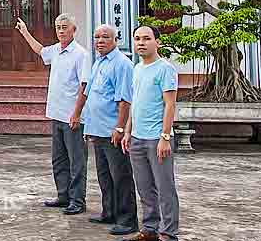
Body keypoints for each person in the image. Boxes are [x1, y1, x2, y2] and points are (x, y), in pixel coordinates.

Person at [16, 13, 91, 215]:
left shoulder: (81, 54)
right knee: (58, 158)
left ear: (74, 30)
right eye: (58, 27)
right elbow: (40, 50)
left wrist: (77, 113)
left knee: (76, 160)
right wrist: (25, 32)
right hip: (56, 114)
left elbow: (84, 85)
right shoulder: (56, 50)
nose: (60, 30)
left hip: (72, 117)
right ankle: (63, 195)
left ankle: (77, 200)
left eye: (64, 27)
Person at [71, 24, 138, 236]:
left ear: (116, 40)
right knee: (104, 176)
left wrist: (120, 127)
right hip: (97, 129)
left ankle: (127, 220)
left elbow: (125, 100)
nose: (100, 41)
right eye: (97, 37)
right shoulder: (98, 62)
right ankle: (109, 212)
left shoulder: (122, 64)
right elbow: (89, 93)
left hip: (112, 131)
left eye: (105, 37)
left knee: (121, 176)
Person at [121, 26, 180, 241]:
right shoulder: (137, 69)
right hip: (137, 137)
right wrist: (128, 131)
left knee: (165, 188)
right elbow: (135, 103)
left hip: (158, 138)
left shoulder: (165, 69)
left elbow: (170, 105)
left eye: (147, 38)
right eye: (137, 39)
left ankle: (168, 232)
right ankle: (149, 228)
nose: (141, 43)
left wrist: (165, 137)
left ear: (158, 42)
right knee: (144, 187)